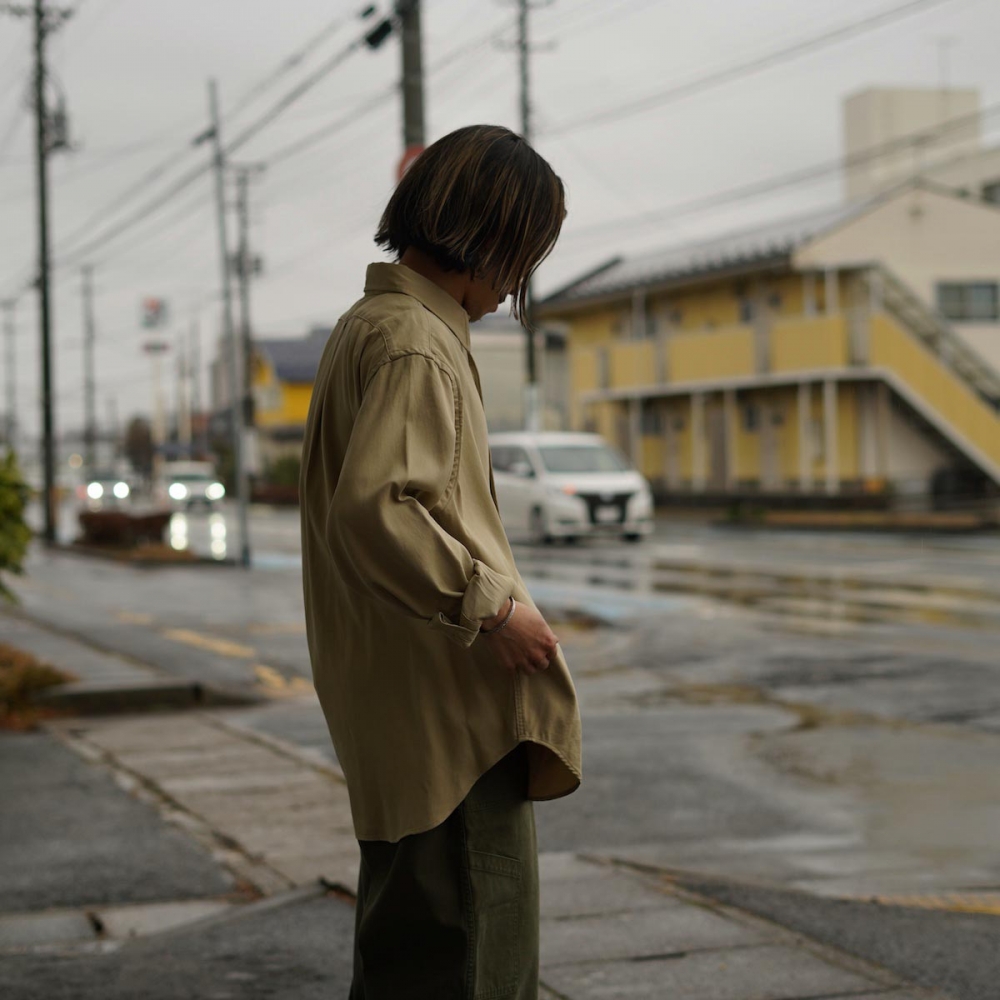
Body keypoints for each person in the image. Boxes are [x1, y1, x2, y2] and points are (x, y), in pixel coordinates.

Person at [299, 124, 582, 999]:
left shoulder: (369, 326)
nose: (515, 284)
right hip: (450, 725)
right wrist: (492, 608)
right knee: (471, 962)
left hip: (401, 717)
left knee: (407, 961)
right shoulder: (418, 342)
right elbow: (379, 506)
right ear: (488, 239)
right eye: (521, 256)